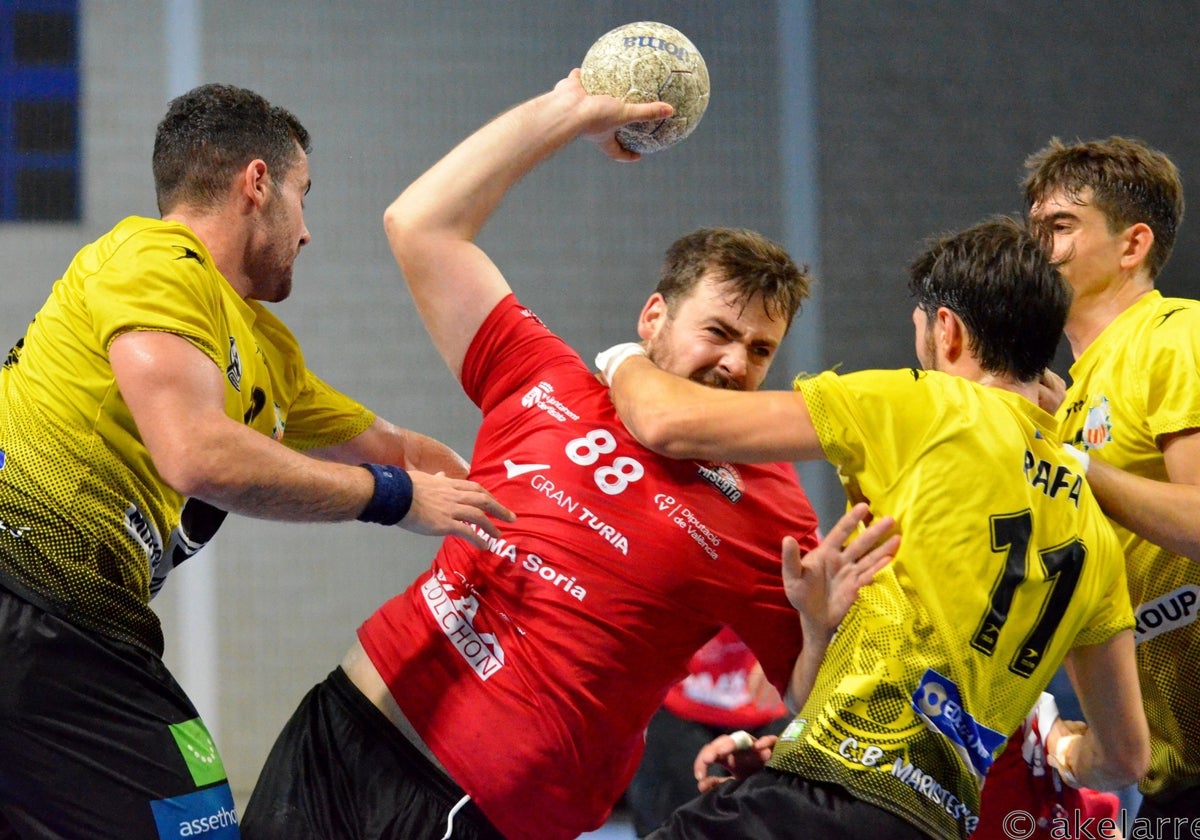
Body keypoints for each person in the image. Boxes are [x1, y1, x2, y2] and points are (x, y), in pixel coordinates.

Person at [236, 70, 899, 840]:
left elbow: (816, 701)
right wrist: (568, 112)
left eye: (760, 350)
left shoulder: (769, 502)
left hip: (485, 807)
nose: (736, 363)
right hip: (349, 724)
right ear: (654, 317)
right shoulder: (542, 374)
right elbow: (420, 223)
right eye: (718, 331)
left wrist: (819, 631)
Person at [0, 83, 513, 839]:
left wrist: (537, 505)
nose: (307, 231)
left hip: (66, 636)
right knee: (199, 822)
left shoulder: (268, 352)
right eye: (304, 196)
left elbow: (403, 451)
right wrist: (392, 497)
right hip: (36, 603)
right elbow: (198, 453)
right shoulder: (154, 257)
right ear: (257, 183)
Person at [599, 216, 1149, 839]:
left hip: (828, 795)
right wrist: (1071, 753)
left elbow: (666, 421)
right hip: (931, 824)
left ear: (947, 330)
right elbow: (1127, 758)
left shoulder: (929, 406)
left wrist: (623, 358)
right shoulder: (1096, 533)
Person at [1025, 135, 1200, 820]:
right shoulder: (1072, 398)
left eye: (1061, 228)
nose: (1039, 249)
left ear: (1132, 246)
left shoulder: (1174, 336)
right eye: (1034, 230)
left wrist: (1068, 462)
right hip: (1170, 779)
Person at [625, 626, 793, 836]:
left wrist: (794, 643)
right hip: (678, 703)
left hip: (772, 704)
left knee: (786, 822)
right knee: (667, 826)